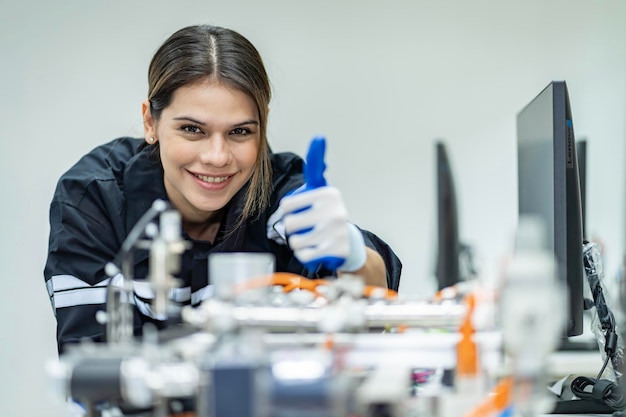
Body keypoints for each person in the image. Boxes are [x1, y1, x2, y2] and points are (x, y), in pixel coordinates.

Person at [44, 24, 402, 353]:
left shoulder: (280, 192)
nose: (217, 157)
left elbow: (369, 312)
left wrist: (353, 256)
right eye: (192, 130)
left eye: (240, 132)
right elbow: (89, 361)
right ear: (150, 122)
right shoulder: (95, 196)